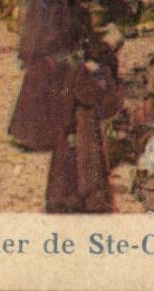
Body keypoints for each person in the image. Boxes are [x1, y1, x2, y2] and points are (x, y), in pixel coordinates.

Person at [45, 39, 123, 213]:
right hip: (75, 128)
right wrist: (68, 129)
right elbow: (67, 104)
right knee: (71, 168)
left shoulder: (97, 76)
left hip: (88, 129)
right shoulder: (78, 75)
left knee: (87, 166)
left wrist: (106, 79)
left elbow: (107, 106)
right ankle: (69, 202)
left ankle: (90, 202)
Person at [8, 0, 72, 149]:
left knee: (39, 94)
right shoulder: (49, 7)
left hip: (44, 58)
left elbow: (36, 34)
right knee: (40, 94)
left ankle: (32, 136)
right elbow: (42, 34)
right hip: (45, 58)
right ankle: (34, 137)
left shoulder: (48, 7)